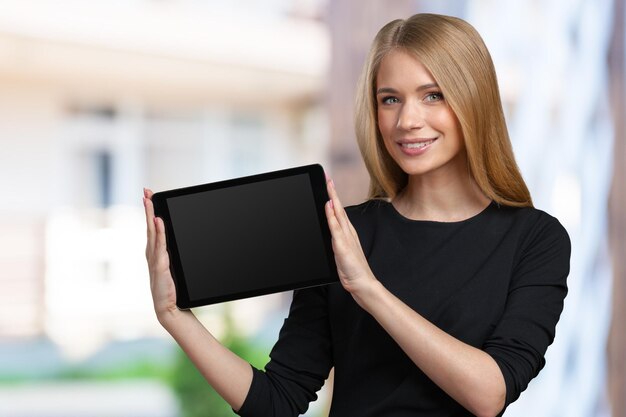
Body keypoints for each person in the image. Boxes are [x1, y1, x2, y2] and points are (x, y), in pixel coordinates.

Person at [143, 13, 570, 417]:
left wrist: (368, 288)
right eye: (390, 100)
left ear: (473, 100)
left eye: (432, 95)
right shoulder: (342, 233)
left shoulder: (535, 239)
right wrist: (174, 318)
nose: (407, 120)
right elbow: (277, 401)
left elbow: (488, 394)